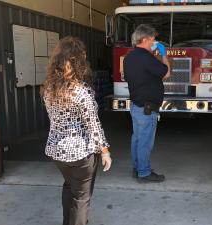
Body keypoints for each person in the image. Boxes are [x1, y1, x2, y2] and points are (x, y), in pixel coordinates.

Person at [41, 36, 112, 225]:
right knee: (81, 197)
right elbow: (93, 125)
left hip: (57, 152)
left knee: (69, 187)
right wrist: (105, 152)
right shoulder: (81, 91)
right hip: (81, 154)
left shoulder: (49, 88)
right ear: (79, 61)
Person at [124, 24, 170, 183]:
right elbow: (166, 73)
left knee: (137, 139)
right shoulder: (146, 57)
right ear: (144, 39)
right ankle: (144, 173)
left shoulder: (130, 56)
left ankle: (137, 168)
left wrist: (154, 55)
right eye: (153, 39)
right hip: (147, 109)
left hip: (137, 106)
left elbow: (149, 72)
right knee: (145, 142)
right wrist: (164, 54)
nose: (154, 42)